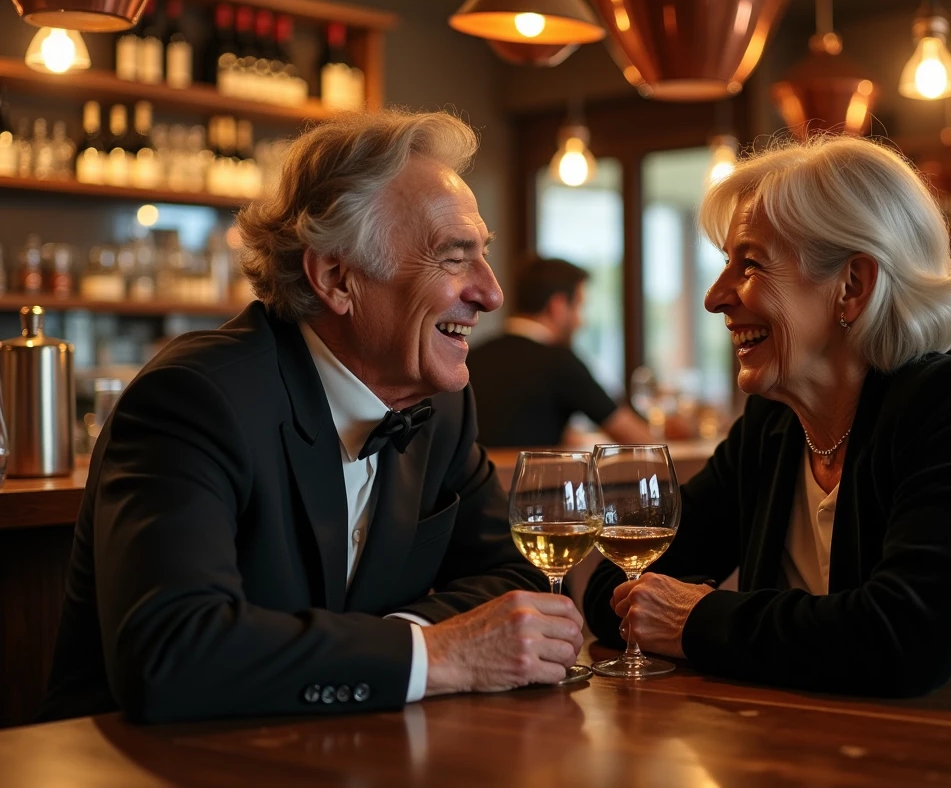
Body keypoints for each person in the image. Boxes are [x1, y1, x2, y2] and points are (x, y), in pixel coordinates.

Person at [40, 110, 584, 725]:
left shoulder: (442, 406)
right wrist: (436, 655)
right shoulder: (195, 398)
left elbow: (525, 578)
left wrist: (402, 644)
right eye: (455, 259)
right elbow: (171, 653)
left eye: (482, 256)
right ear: (335, 278)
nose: (492, 293)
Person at [584, 135, 951, 697]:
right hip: (841, 742)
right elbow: (612, 592)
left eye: (751, 265)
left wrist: (698, 618)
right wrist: (690, 617)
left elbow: (900, 642)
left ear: (853, 286)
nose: (716, 297)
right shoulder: (772, 425)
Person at [467, 256, 654, 448]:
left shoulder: (472, 356)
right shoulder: (559, 361)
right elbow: (637, 438)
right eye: (579, 306)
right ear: (557, 306)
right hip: (530, 478)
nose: (582, 322)